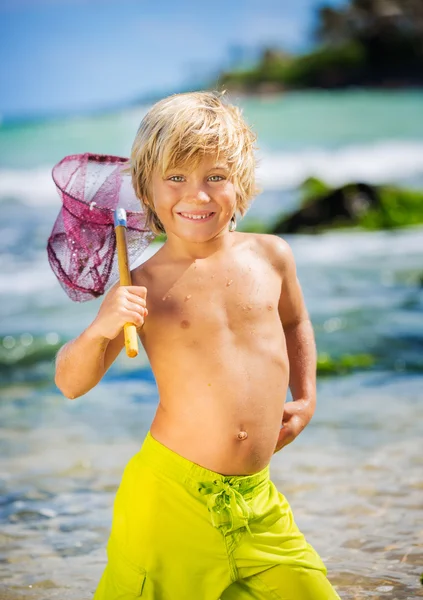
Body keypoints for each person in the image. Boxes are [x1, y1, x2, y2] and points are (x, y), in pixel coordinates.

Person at [55, 91, 341, 599]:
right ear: (146, 188)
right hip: (171, 499)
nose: (198, 196)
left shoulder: (272, 255)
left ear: (242, 183)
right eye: (176, 178)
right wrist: (102, 326)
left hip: (258, 502)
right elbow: (70, 383)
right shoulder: (139, 282)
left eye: (215, 177)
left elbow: (296, 323)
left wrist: (307, 396)